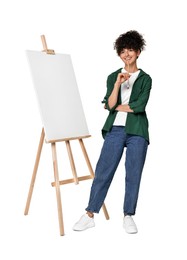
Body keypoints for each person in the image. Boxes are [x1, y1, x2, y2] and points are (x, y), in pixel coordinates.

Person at [73, 30, 152, 234]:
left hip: (138, 131)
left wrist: (115, 106)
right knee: (103, 171)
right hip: (115, 129)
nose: (127, 54)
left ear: (139, 51)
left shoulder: (145, 79)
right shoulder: (112, 77)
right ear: (119, 54)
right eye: (123, 51)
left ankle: (128, 215)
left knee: (133, 174)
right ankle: (90, 214)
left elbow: (139, 107)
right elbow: (110, 101)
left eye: (131, 50)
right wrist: (117, 84)